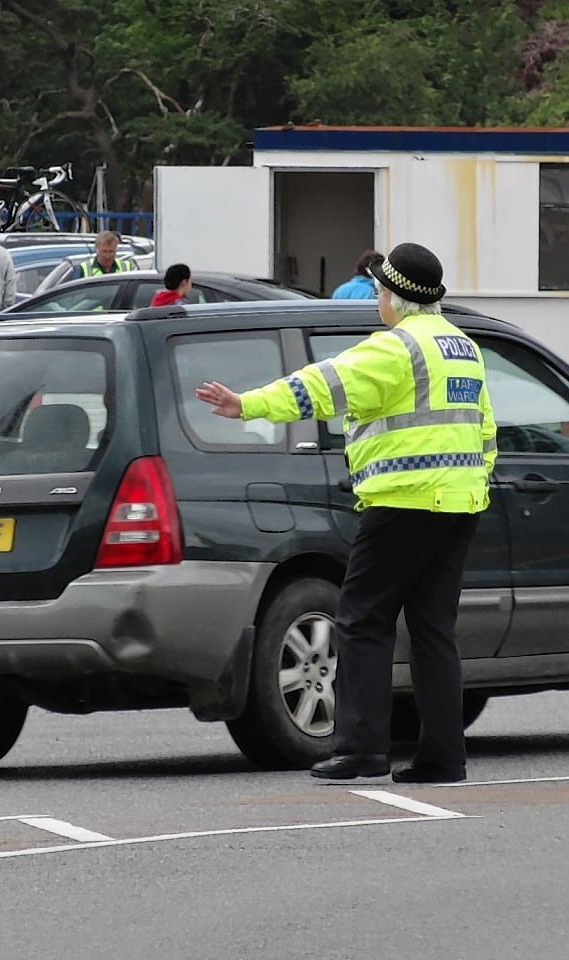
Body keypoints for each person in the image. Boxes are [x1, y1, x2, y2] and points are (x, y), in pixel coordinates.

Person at [195, 242, 496, 785]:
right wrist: (468, 482)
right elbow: (486, 430)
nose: (377, 298)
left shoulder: (395, 348)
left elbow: (322, 385)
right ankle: (443, 758)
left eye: (381, 290)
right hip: (460, 503)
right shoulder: (462, 348)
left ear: (399, 297)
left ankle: (360, 749)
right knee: (433, 630)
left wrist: (248, 405)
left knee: (361, 621)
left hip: (402, 501)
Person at [70, 230, 137, 280]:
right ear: (97, 250)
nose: (108, 256)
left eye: (111, 251)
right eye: (104, 251)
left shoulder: (127, 267)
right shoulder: (83, 269)